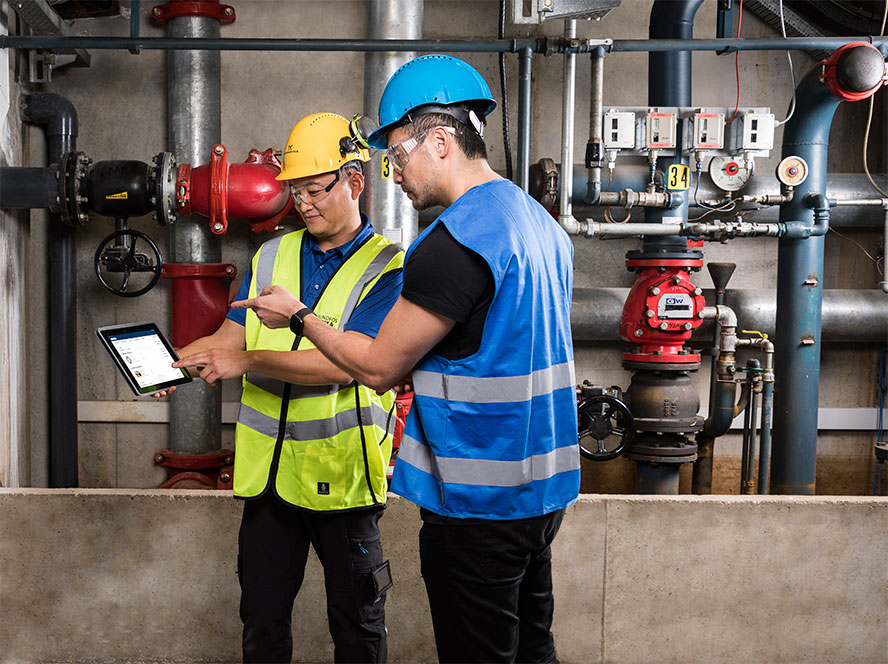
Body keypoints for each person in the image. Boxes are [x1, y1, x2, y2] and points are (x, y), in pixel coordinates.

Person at [233, 55, 579, 664]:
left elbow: (378, 368)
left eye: (396, 154)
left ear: (440, 141)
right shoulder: (539, 225)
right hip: (542, 491)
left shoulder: (454, 241)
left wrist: (301, 318)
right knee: (533, 651)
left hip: (478, 500)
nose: (393, 174)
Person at [166, 112, 404, 663]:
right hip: (268, 482)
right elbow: (228, 338)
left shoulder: (388, 268)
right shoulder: (270, 255)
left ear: (355, 181)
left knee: (358, 629)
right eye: (295, 192)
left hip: (342, 482)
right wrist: (178, 365)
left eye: (315, 190)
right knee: (262, 624)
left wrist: (245, 360)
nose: (304, 203)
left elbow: (347, 366)